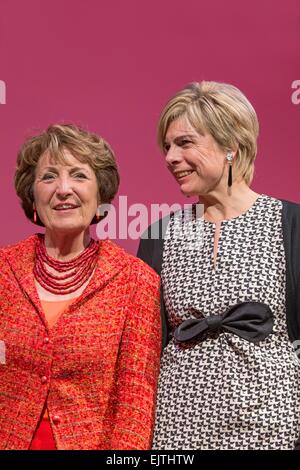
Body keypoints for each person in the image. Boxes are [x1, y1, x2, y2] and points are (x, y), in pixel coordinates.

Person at [137, 81, 300, 450]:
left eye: (185, 143)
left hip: (272, 431)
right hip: (177, 433)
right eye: (167, 146)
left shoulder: (290, 225)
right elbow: (147, 352)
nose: (170, 158)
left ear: (231, 146)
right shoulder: (159, 236)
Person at [0, 124, 161, 450]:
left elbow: (135, 397)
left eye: (79, 175)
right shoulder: (3, 271)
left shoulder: (135, 280)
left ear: (100, 194)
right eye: (48, 177)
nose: (63, 189)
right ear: (32, 194)